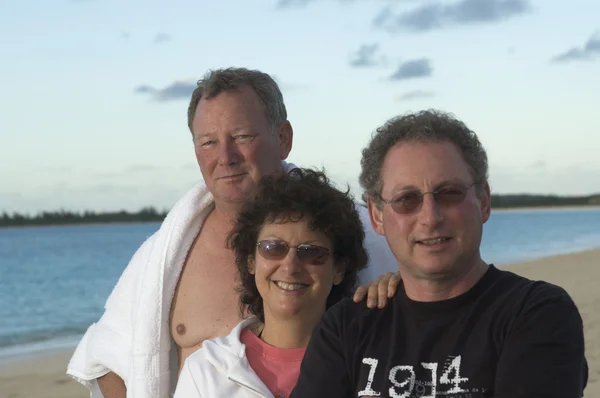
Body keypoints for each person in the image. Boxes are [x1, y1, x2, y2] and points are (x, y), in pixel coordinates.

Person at [66, 67, 399, 398]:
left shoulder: (363, 236)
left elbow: (423, 320)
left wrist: (400, 284)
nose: (225, 158)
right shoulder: (163, 255)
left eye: (242, 137)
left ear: (283, 138)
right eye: (208, 142)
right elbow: (107, 357)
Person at [290, 110, 589, 398]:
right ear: (376, 215)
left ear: (483, 201)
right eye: (406, 199)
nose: (430, 217)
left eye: (449, 193)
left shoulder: (535, 312)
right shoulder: (344, 328)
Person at [174, 167, 368, 397]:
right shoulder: (206, 371)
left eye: (311, 252)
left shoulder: (370, 365)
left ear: (338, 269)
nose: (290, 266)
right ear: (250, 262)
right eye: (273, 248)